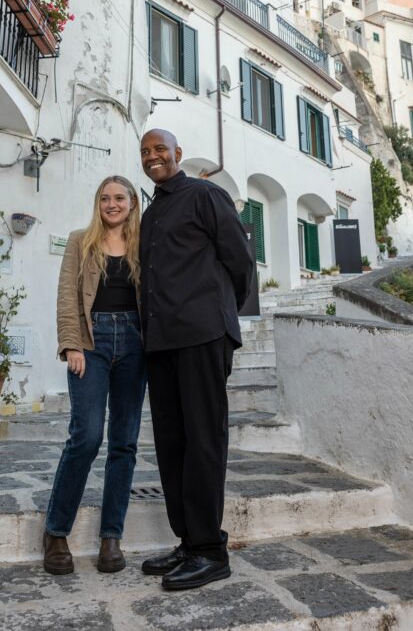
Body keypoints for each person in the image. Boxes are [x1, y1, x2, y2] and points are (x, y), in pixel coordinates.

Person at [139, 129, 254, 590]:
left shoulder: (206, 194)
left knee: (204, 440)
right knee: (172, 444)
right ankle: (188, 540)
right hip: (161, 342)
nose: (152, 157)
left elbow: (241, 261)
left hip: (203, 334)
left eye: (159, 149)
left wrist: (219, 310)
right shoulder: (151, 214)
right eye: (145, 152)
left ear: (178, 154)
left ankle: (210, 550)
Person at [44, 175, 146, 575]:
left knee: (125, 442)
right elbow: (67, 296)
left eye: (119, 197)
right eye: (105, 197)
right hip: (92, 342)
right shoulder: (79, 241)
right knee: (86, 436)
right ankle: (55, 532)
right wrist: (71, 344)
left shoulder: (143, 246)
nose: (112, 203)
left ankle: (111, 538)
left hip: (136, 344)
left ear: (133, 203)